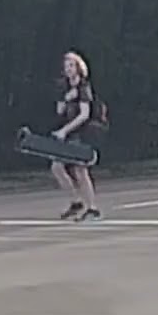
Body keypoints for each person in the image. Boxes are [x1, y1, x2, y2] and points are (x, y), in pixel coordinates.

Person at [52, 51, 102, 221]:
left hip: (81, 133)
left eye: (71, 66)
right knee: (57, 167)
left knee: (80, 169)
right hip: (66, 133)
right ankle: (76, 202)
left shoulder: (84, 87)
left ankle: (92, 208)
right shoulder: (64, 87)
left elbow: (84, 115)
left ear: (79, 68)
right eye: (66, 66)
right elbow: (59, 111)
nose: (68, 69)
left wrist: (65, 130)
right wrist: (66, 99)